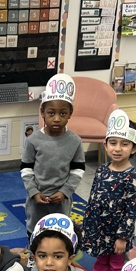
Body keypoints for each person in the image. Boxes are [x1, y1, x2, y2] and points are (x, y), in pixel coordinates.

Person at [80, 108, 136, 271]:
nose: (117, 148)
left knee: (116, 263)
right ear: (105, 145)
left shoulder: (132, 178)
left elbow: (131, 211)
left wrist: (122, 237)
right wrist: (88, 224)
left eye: (124, 144)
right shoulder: (102, 170)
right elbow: (93, 198)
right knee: (101, 258)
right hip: (99, 228)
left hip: (117, 232)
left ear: (133, 148)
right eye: (113, 143)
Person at [20, 74, 85, 239]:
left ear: (70, 113)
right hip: (37, 199)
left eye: (63, 113)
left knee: (58, 233)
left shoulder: (75, 141)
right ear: (42, 112)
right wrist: (33, 192)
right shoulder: (33, 140)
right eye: (51, 113)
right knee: (35, 231)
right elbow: (26, 169)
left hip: (61, 200)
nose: (56, 118)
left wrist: (65, 192)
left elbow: (77, 171)